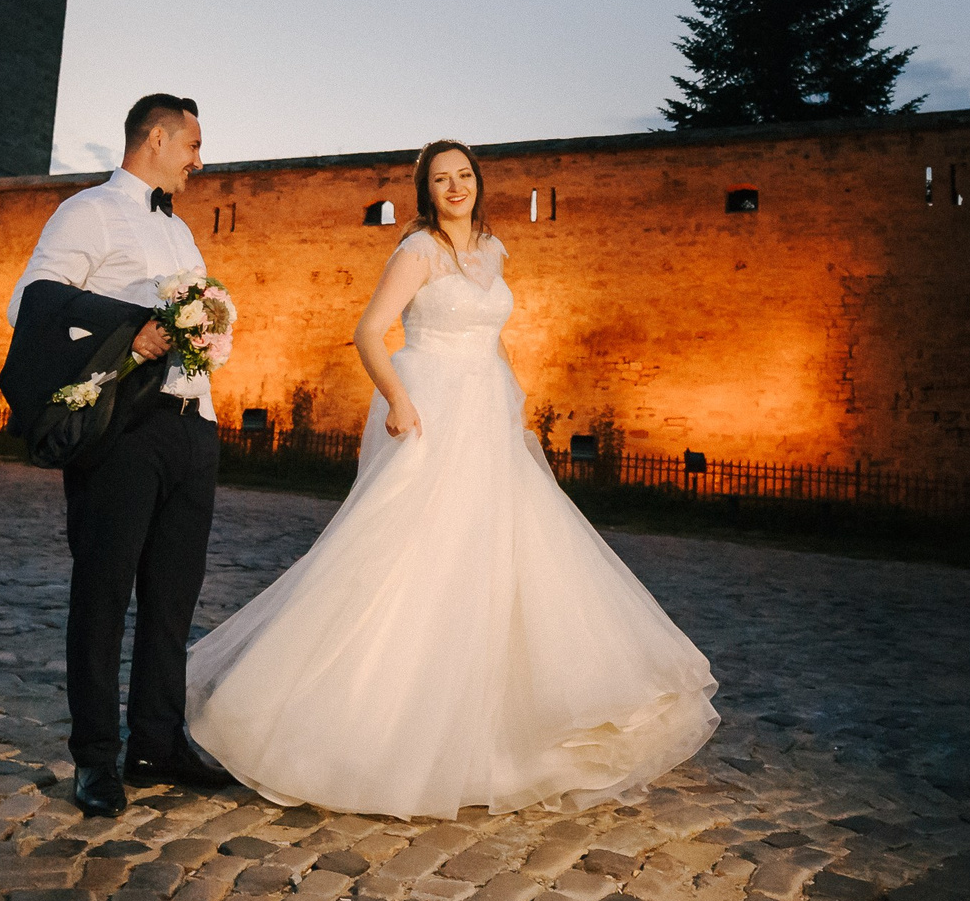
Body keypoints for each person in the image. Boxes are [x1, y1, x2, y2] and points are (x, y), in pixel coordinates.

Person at [185, 140, 719, 817]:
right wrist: (401, 401)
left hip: (487, 414)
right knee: (408, 555)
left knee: (502, 561)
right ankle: (349, 726)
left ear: (479, 181)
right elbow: (370, 331)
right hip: (433, 407)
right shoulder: (417, 252)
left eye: (464, 175)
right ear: (425, 191)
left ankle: (503, 731)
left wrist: (517, 406)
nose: (455, 186)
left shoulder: (494, 251)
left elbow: (493, 340)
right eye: (441, 179)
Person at [7, 94, 234, 816]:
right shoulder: (88, 212)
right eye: (192, 145)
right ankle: (96, 757)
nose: (199, 160)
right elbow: (34, 302)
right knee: (103, 595)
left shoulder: (183, 232)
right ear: (158, 139)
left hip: (192, 426)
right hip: (125, 430)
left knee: (173, 599)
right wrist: (131, 330)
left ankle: (157, 741)